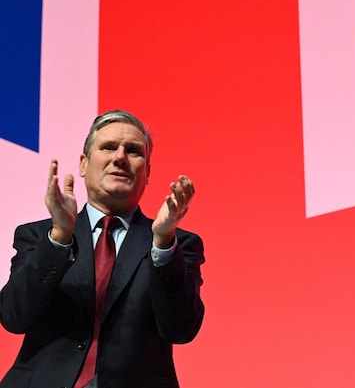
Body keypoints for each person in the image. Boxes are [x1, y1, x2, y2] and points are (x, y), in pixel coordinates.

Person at [0, 110, 205, 388]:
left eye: (133, 151)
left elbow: (181, 330)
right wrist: (59, 237)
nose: (119, 157)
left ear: (147, 173)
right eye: (108, 147)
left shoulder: (177, 244)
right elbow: (14, 318)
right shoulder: (38, 236)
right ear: (84, 164)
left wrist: (163, 243)